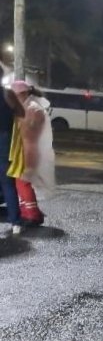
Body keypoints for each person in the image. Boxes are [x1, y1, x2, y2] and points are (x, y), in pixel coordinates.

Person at [10, 81, 55, 226]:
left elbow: (29, 134)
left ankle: (33, 215)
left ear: (22, 94)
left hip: (29, 150)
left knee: (23, 182)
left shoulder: (32, 109)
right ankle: (29, 211)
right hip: (26, 149)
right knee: (21, 182)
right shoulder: (28, 106)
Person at [0, 78, 23, 235]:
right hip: (4, 139)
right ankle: (15, 222)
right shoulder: (7, 93)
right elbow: (21, 113)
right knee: (7, 182)